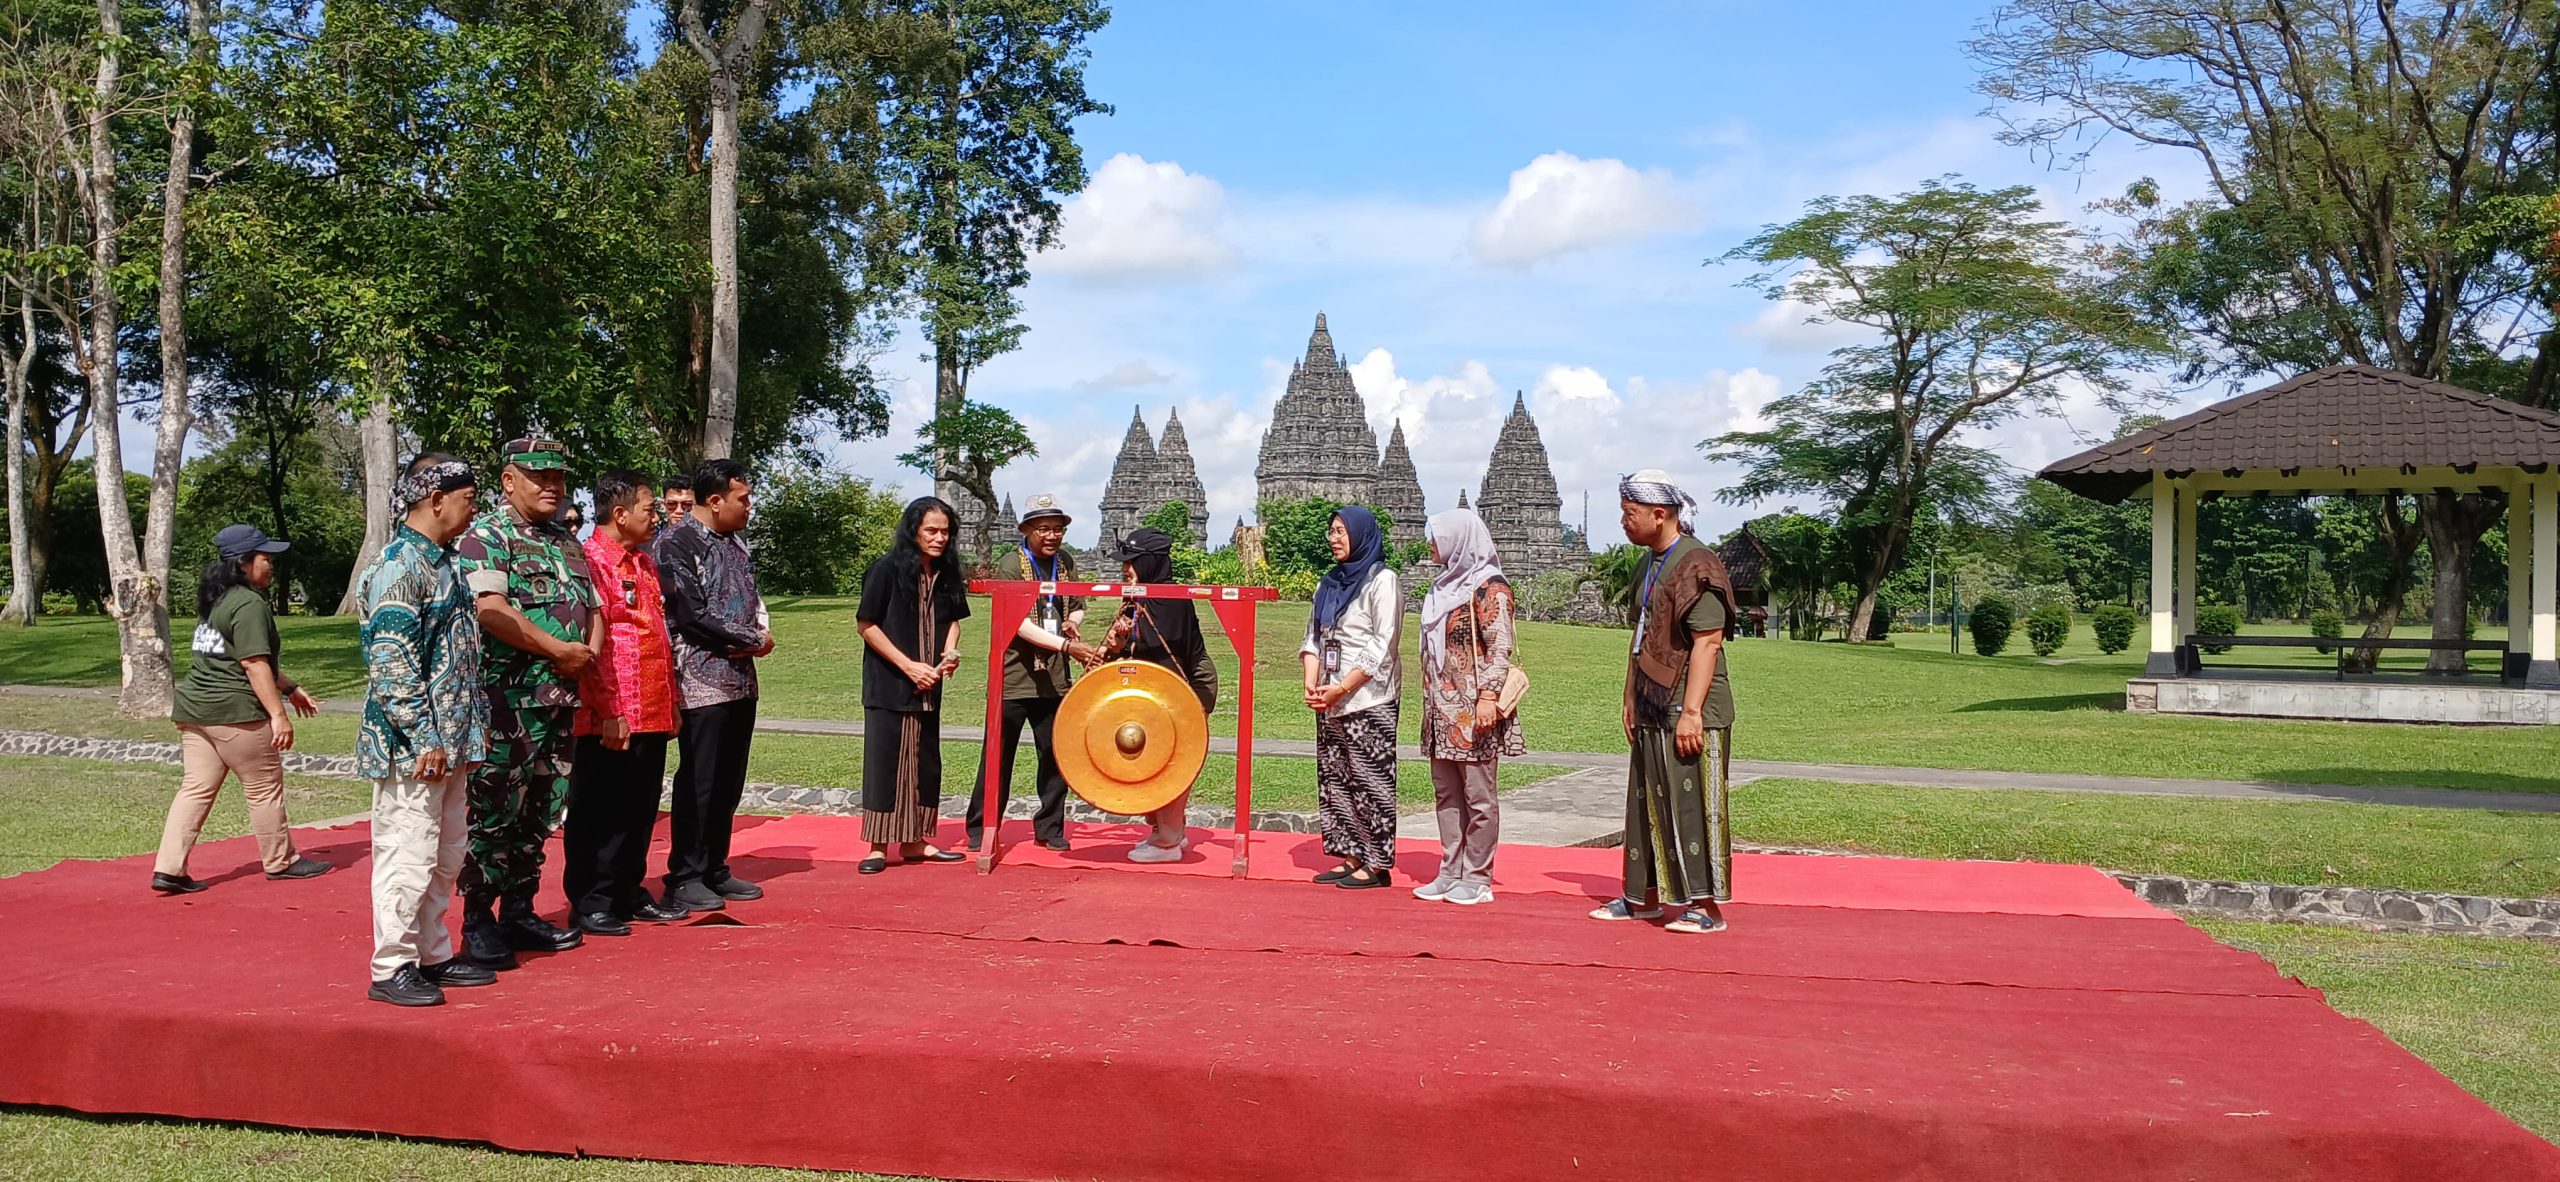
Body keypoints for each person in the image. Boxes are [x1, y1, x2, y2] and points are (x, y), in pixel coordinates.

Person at [453, 437, 610, 969]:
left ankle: (519, 909)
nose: (551, 486)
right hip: (507, 704)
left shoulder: (564, 540)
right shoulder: (486, 537)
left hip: (559, 699)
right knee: (494, 812)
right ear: (508, 480)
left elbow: (593, 607)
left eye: (558, 478)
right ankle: (478, 919)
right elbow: (490, 609)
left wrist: (585, 654)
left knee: (542, 809)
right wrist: (557, 651)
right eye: (538, 476)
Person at [355, 453, 495, 1007]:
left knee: (446, 855)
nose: (474, 508)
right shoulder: (398, 566)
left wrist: (465, 738)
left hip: (450, 744)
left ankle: (433, 954)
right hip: (412, 748)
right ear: (435, 500)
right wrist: (424, 736)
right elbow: (391, 661)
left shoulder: (447, 563)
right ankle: (392, 966)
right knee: (407, 853)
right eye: (466, 498)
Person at [1595, 470, 1737, 935]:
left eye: (1629, 513)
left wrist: (1692, 712)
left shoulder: (1698, 564)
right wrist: (1628, 695)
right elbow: (1639, 635)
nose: (1622, 521)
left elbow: (1708, 642)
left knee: (1692, 800)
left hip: (1689, 701)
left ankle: (1706, 906)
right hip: (1652, 698)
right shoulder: (1649, 562)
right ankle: (1643, 898)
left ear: (1660, 515)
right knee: (1646, 798)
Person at [153, 524, 330, 893]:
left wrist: (291, 687)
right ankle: (281, 862)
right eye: (265, 558)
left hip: (195, 712)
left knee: (195, 788)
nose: (271, 565)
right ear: (244, 563)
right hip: (236, 714)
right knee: (264, 788)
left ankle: (169, 869)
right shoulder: (249, 604)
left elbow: (233, 657)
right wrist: (278, 715)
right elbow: (252, 664)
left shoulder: (217, 598)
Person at [562, 471, 691, 935]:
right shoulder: (589, 560)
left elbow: (656, 635)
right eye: (648, 509)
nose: (656, 516)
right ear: (619, 514)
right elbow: (594, 648)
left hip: (652, 706)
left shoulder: (643, 561)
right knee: (600, 809)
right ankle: (592, 898)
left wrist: (672, 701)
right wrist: (606, 711)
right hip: (611, 713)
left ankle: (628, 890)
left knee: (639, 807)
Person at [655, 457, 772, 912]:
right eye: (742, 499)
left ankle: (714, 866)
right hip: (700, 680)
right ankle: (684, 873)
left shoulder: (734, 544)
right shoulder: (677, 543)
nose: (748, 507)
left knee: (729, 778)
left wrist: (757, 636)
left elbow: (749, 601)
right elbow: (690, 613)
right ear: (715, 499)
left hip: (740, 680)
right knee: (700, 780)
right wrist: (752, 639)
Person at [965, 493, 1102, 853]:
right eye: (1044, 529)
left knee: (1055, 755)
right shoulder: (1011, 564)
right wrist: (1066, 647)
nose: (1052, 536)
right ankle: (983, 826)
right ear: (1027, 530)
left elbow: (1076, 604)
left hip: (1054, 679)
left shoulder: (1066, 561)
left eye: (1058, 529)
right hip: (1015, 677)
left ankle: (1050, 826)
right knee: (997, 755)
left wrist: (1071, 625)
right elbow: (1019, 624)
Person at [854, 496, 970, 874]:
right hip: (889, 683)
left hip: (930, 685)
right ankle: (877, 845)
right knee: (886, 761)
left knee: (924, 764)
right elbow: (867, 625)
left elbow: (954, 620)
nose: (939, 538)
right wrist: (909, 667)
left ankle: (916, 841)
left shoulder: (947, 573)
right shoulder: (885, 569)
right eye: (931, 531)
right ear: (914, 531)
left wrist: (948, 654)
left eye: (945, 532)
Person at [1413, 508, 1522, 906]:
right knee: (1446, 792)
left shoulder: (1489, 589)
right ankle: (1450, 869)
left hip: (1475, 709)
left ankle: (1477, 876)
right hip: (1440, 710)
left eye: (1437, 536)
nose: (1431, 544)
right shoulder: (1443, 588)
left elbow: (1500, 648)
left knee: (1479, 795)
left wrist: (1489, 696)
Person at [1101, 528, 1217, 863]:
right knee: (1155, 757)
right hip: (1158, 682)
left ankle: (1168, 839)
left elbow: (1163, 658)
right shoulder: (1138, 595)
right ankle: (1168, 831)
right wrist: (1117, 642)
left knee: (1174, 760)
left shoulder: (1168, 599)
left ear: (1149, 563)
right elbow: (1130, 649)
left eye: (1131, 562)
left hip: (1185, 681)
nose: (1126, 569)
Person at [1301, 506, 1402, 890]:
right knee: (1336, 777)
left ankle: (1377, 864)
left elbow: (1383, 642)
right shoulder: (1328, 583)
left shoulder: (1382, 581)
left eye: (1342, 531)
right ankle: (1351, 854)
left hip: (1368, 698)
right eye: (1331, 531)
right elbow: (1313, 636)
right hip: (1330, 697)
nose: (1334, 538)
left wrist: (1344, 686)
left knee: (1370, 779)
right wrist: (1312, 683)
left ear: (1360, 535)